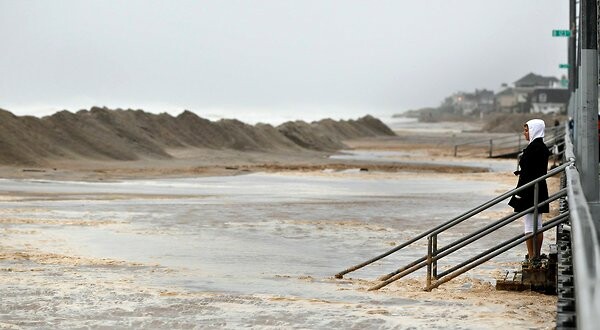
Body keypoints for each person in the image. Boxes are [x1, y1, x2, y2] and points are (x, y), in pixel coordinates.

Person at [508, 119, 551, 265]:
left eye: (527, 130)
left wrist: (519, 193)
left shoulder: (534, 148)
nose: (524, 133)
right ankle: (535, 255)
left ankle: (532, 256)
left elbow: (528, 173)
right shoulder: (540, 147)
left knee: (529, 225)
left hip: (530, 190)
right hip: (537, 188)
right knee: (537, 224)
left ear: (534, 130)